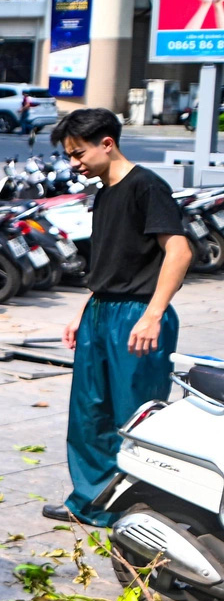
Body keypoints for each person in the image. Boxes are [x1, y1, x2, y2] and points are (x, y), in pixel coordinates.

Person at [44, 107, 191, 527]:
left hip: (137, 315)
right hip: (101, 311)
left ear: (107, 143)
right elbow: (110, 263)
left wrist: (153, 315)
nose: (74, 163)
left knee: (135, 415)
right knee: (90, 412)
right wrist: (83, 312)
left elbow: (179, 252)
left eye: (78, 153)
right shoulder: (105, 192)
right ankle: (91, 503)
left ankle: (141, 510)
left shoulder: (147, 186)